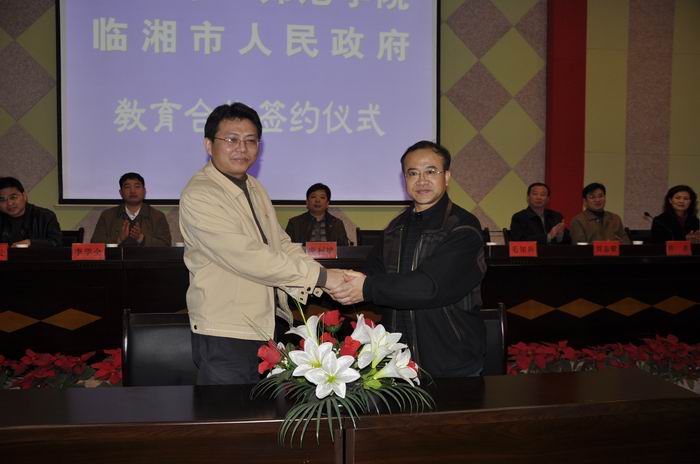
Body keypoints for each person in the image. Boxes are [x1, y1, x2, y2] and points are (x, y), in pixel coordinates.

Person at [178, 102, 345, 385]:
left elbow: (280, 243)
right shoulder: (200, 194)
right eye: (231, 139)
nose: (242, 148)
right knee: (226, 412)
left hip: (264, 324)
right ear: (209, 144)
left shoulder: (254, 187)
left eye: (250, 140)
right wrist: (323, 278)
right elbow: (249, 257)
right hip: (225, 330)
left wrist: (323, 275)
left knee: (263, 410)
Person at [329, 140, 487, 378]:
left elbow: (429, 287)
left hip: (452, 361)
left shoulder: (463, 228)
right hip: (399, 362)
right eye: (413, 173)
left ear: (447, 177)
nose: (421, 180)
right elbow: (370, 274)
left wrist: (367, 287)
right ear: (405, 179)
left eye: (430, 172)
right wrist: (333, 281)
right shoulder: (396, 227)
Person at [91, 172, 172, 246]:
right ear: (121, 193)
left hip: (146, 258)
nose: (132, 191)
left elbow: (166, 244)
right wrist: (118, 240)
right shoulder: (107, 215)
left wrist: (141, 238)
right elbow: (95, 244)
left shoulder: (157, 216)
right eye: (127, 187)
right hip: (116, 258)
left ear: (144, 191)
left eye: (137, 187)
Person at [0, 177, 62, 247]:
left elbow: (56, 242)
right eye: (2, 200)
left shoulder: (46, 216)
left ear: (24, 196)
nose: (9, 203)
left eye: (13, 197)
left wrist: (31, 243)